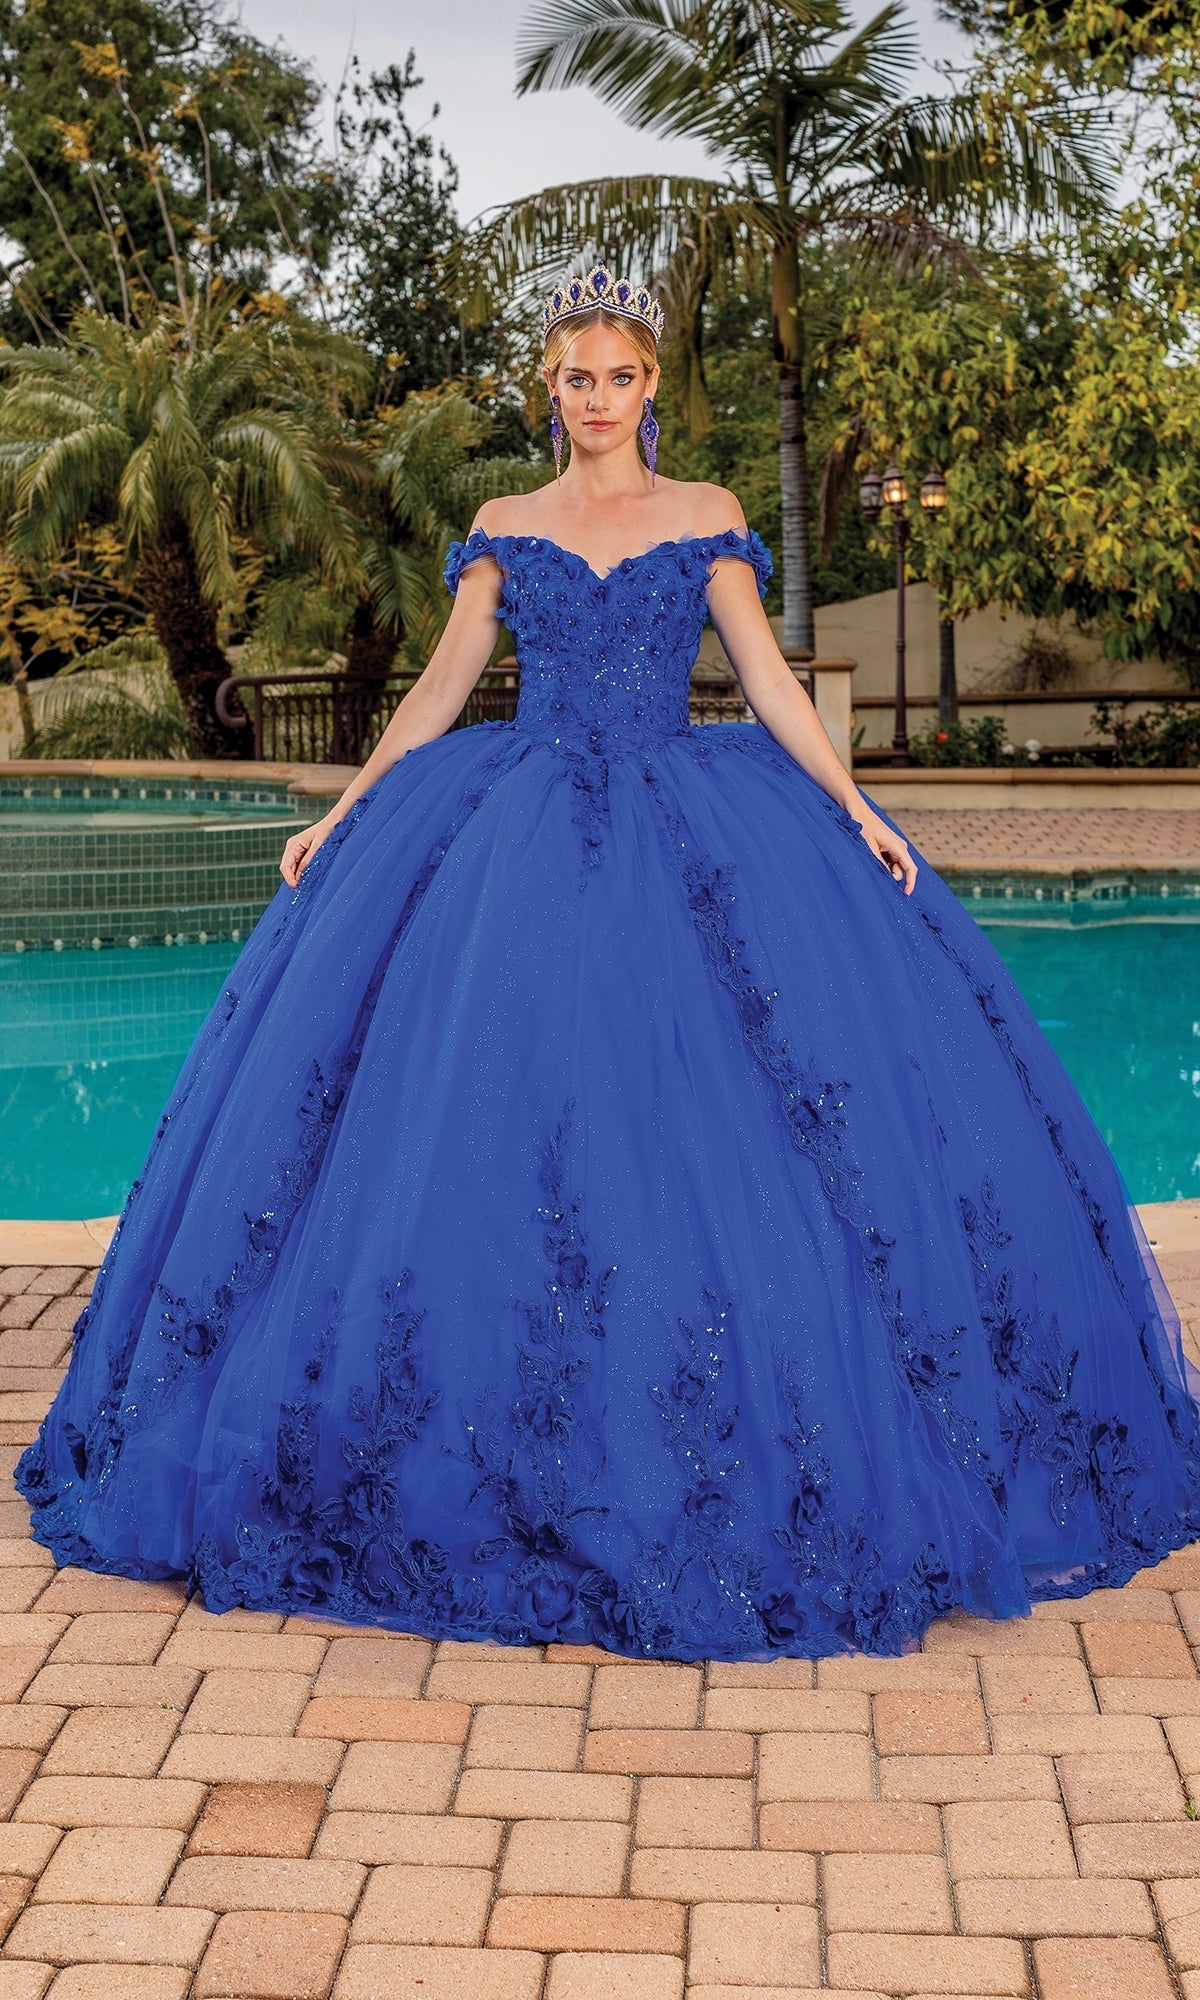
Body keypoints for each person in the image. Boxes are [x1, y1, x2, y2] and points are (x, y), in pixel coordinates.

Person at [16, 265, 1200, 1663]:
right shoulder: (505, 525)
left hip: (686, 820)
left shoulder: (705, 517)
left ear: (649, 388)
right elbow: (446, 687)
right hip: (510, 827)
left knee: (705, 1113)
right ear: (551, 387)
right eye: (574, 377)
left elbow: (764, 679)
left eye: (619, 376)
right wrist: (342, 812)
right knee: (482, 1120)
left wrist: (861, 809)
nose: (595, 398)